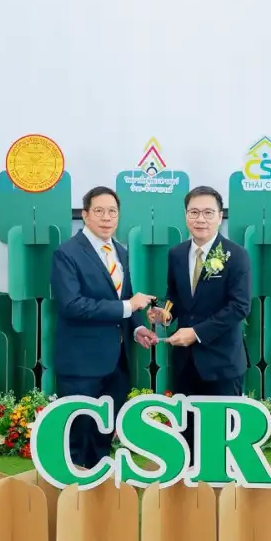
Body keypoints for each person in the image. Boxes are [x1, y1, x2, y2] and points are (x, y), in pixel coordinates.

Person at [50, 186, 159, 469]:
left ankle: (99, 484)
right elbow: (72, 305)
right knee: (77, 435)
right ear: (85, 215)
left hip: (116, 363)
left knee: (103, 434)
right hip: (81, 363)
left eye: (112, 211)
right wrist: (128, 306)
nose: (106, 217)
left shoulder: (120, 251)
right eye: (99, 211)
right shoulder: (67, 253)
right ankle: (72, 490)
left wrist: (136, 329)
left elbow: (125, 297)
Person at [146, 185, 252, 462]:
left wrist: (196, 333)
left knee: (222, 441)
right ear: (185, 216)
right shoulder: (176, 254)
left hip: (222, 361)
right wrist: (165, 313)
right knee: (188, 438)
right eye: (194, 212)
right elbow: (174, 295)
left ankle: (225, 487)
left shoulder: (236, 255)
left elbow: (239, 307)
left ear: (220, 216)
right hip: (185, 362)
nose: (200, 219)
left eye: (208, 212)